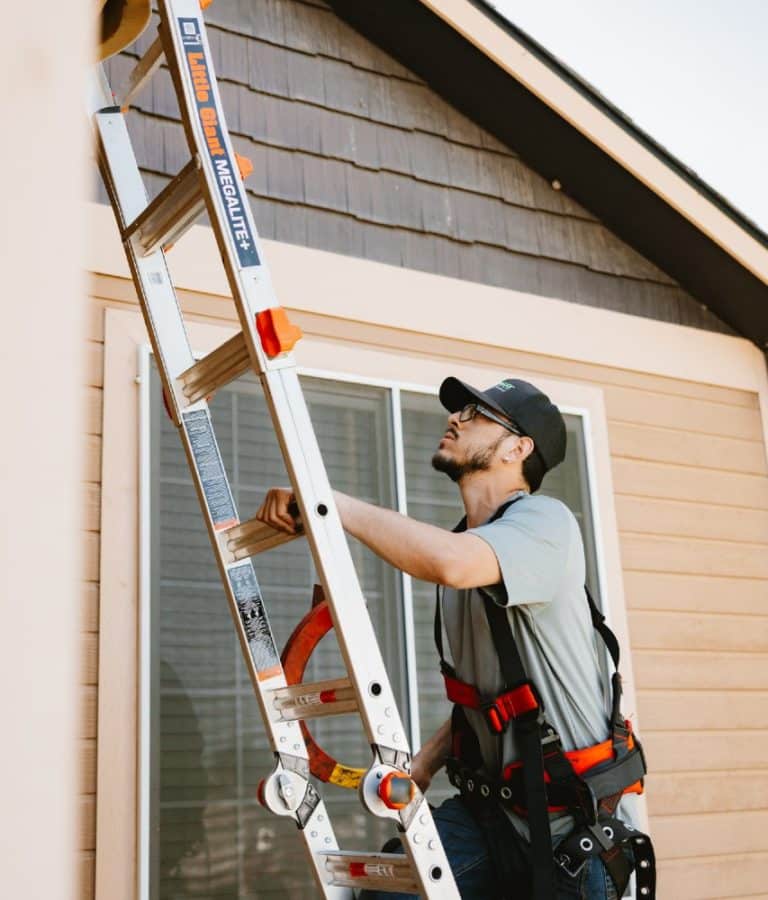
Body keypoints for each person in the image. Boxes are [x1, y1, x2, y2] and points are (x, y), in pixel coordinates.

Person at [257, 376, 651, 900]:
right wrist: (427, 761)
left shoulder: (544, 523)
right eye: (460, 411)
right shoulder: (469, 546)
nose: (455, 419)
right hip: (491, 815)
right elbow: (491, 700)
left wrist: (325, 505)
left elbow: (448, 562)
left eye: (476, 414)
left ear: (518, 448)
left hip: (572, 832)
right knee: (387, 893)